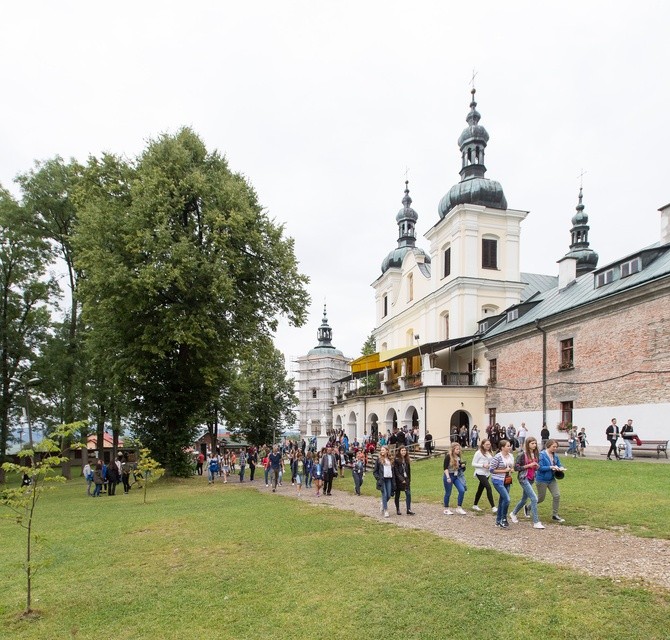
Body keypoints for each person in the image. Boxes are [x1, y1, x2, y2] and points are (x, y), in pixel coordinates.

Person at [509, 437, 545, 529]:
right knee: (534, 498)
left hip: (531, 478)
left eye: (535, 443)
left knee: (524, 499)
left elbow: (536, 467)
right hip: (523, 478)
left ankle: (513, 513)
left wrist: (536, 466)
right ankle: (536, 522)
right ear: (528, 444)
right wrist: (529, 465)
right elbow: (516, 468)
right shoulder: (522, 454)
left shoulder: (536, 454)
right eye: (532, 443)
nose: (534, 445)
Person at [536, 439, 567, 522]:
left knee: (557, 495)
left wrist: (561, 468)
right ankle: (528, 507)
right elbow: (540, 467)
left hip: (551, 479)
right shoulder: (541, 455)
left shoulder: (555, 455)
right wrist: (551, 467)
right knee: (540, 498)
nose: (555, 448)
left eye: (556, 447)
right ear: (548, 446)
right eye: (554, 446)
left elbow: (559, 464)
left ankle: (555, 515)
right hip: (542, 479)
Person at [489, 439, 515, 528]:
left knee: (502, 500)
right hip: (498, 480)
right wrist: (504, 470)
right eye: (508, 446)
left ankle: (498, 520)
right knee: (507, 499)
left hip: (507, 480)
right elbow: (491, 470)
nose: (509, 447)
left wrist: (511, 470)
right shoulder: (497, 457)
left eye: (510, 445)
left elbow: (512, 467)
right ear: (502, 447)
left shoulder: (511, 456)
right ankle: (504, 518)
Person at [471, 439, 496, 513]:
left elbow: (492, 461)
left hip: (487, 473)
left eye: (489, 444)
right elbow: (473, 463)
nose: (488, 446)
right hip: (480, 472)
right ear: (483, 445)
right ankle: (493, 507)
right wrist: (483, 465)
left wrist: (491, 465)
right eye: (487, 444)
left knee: (480, 489)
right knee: (488, 487)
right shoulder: (478, 453)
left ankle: (475, 505)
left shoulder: (490, 452)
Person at [443, 442, 467, 516]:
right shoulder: (448, 457)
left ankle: (459, 507)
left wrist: (462, 466)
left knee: (462, 490)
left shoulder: (458, 457)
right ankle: (446, 509)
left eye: (459, 449)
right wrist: (448, 477)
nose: (458, 451)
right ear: (453, 449)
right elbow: (445, 468)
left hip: (456, 476)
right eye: (457, 449)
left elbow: (460, 468)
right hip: (449, 475)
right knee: (448, 493)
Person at [373, 445, 394, 518]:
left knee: (388, 495)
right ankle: (386, 510)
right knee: (384, 494)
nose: (382, 451)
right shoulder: (378, 459)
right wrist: (378, 478)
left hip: (389, 478)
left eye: (383, 450)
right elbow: (375, 471)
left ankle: (383, 503)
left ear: (387, 451)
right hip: (382, 479)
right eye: (381, 450)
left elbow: (392, 470)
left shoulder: (390, 459)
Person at [393, 446, 415, 515]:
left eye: (405, 450)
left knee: (408, 494)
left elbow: (408, 471)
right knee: (397, 494)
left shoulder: (406, 460)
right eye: (402, 450)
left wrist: (408, 479)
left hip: (406, 479)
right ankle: (398, 509)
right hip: (399, 480)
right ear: (399, 451)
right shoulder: (396, 460)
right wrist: (401, 479)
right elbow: (396, 471)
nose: (403, 452)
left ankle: (408, 509)